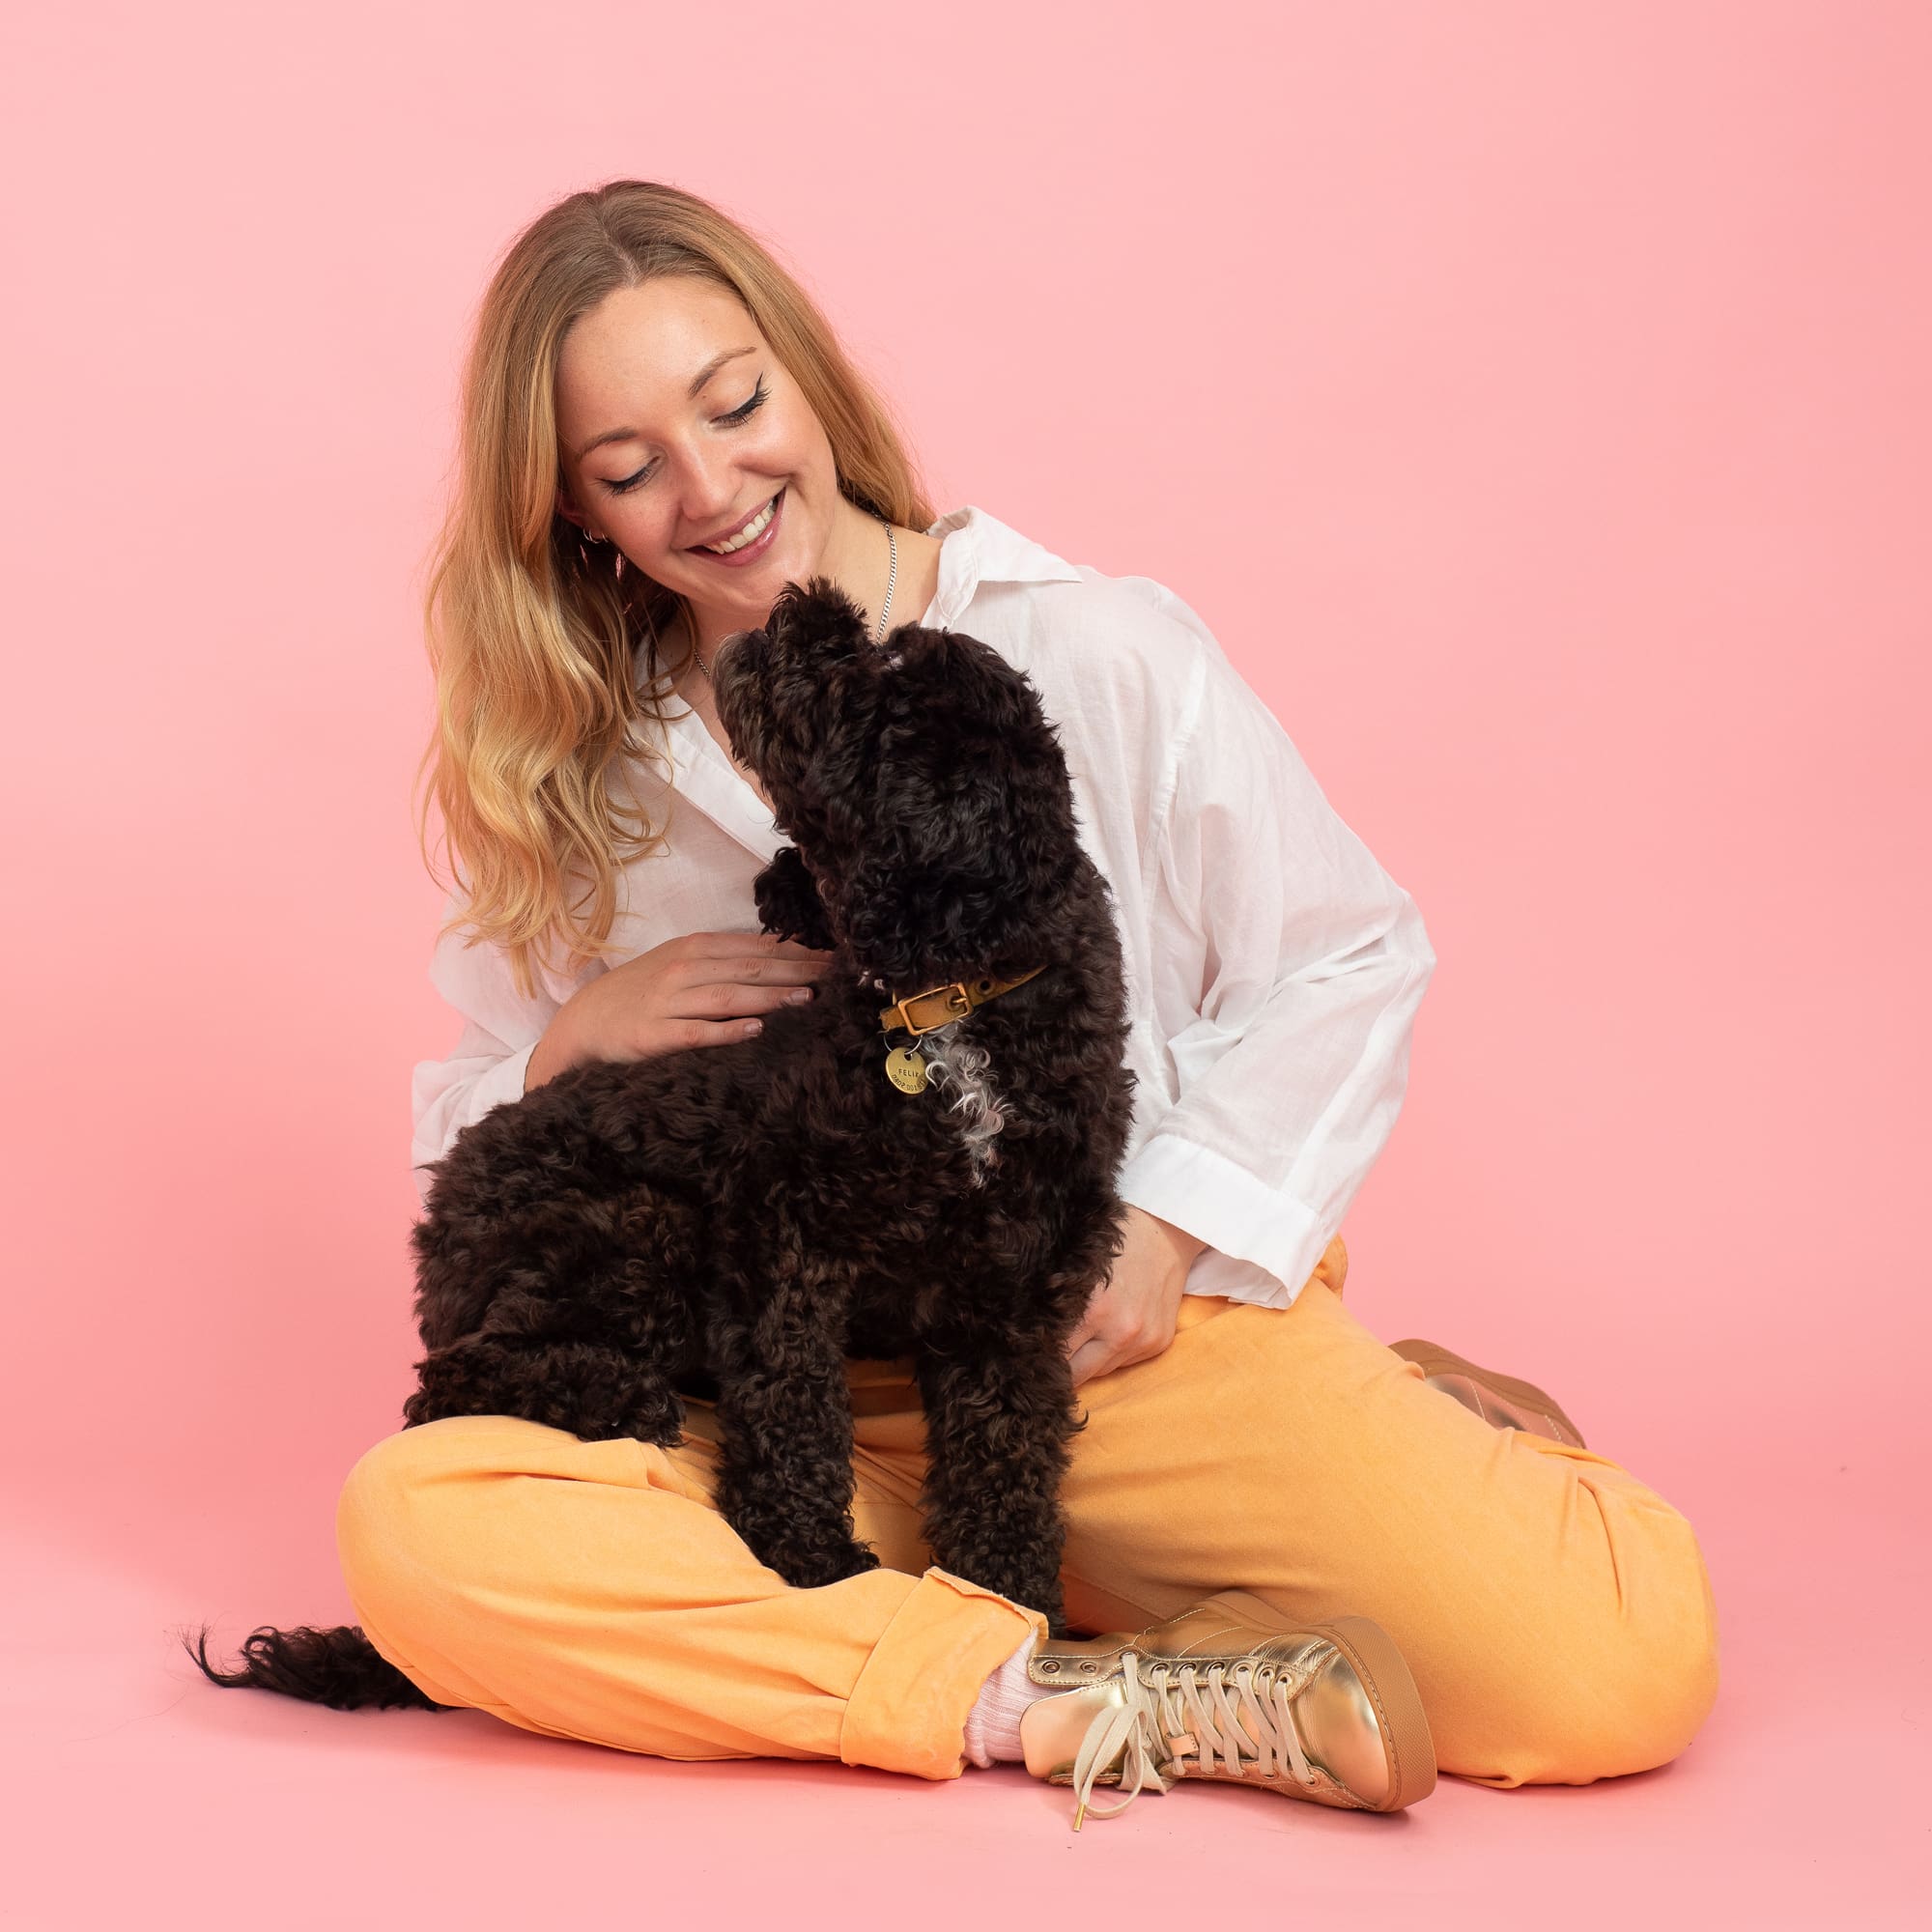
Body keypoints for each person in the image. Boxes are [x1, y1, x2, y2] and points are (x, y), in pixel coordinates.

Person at [339, 180, 1719, 1827]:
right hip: (777, 1394)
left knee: (1615, 1662)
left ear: (806, 377)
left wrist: (1166, 1223)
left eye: (737, 405)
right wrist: (565, 1045)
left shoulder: (1097, 648)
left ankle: (1226, 1516)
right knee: (421, 1528)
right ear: (575, 514)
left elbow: (1347, 953)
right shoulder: (581, 774)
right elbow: (491, 1130)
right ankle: (1054, 1691)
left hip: (1092, 1347)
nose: (710, 491)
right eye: (628, 470)